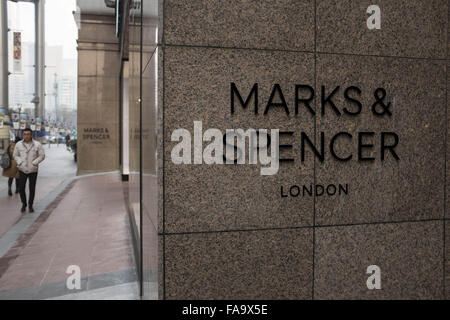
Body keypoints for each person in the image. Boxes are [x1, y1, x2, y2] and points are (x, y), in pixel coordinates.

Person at [13, 128, 45, 213]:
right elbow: (15, 155)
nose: (26, 136)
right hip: (22, 169)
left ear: (31, 135)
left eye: (28, 134)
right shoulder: (18, 144)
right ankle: (24, 203)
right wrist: (20, 162)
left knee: (32, 188)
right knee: (21, 188)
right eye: (25, 134)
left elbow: (42, 156)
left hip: (33, 170)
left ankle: (30, 205)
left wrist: (35, 163)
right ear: (23, 135)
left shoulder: (37, 144)